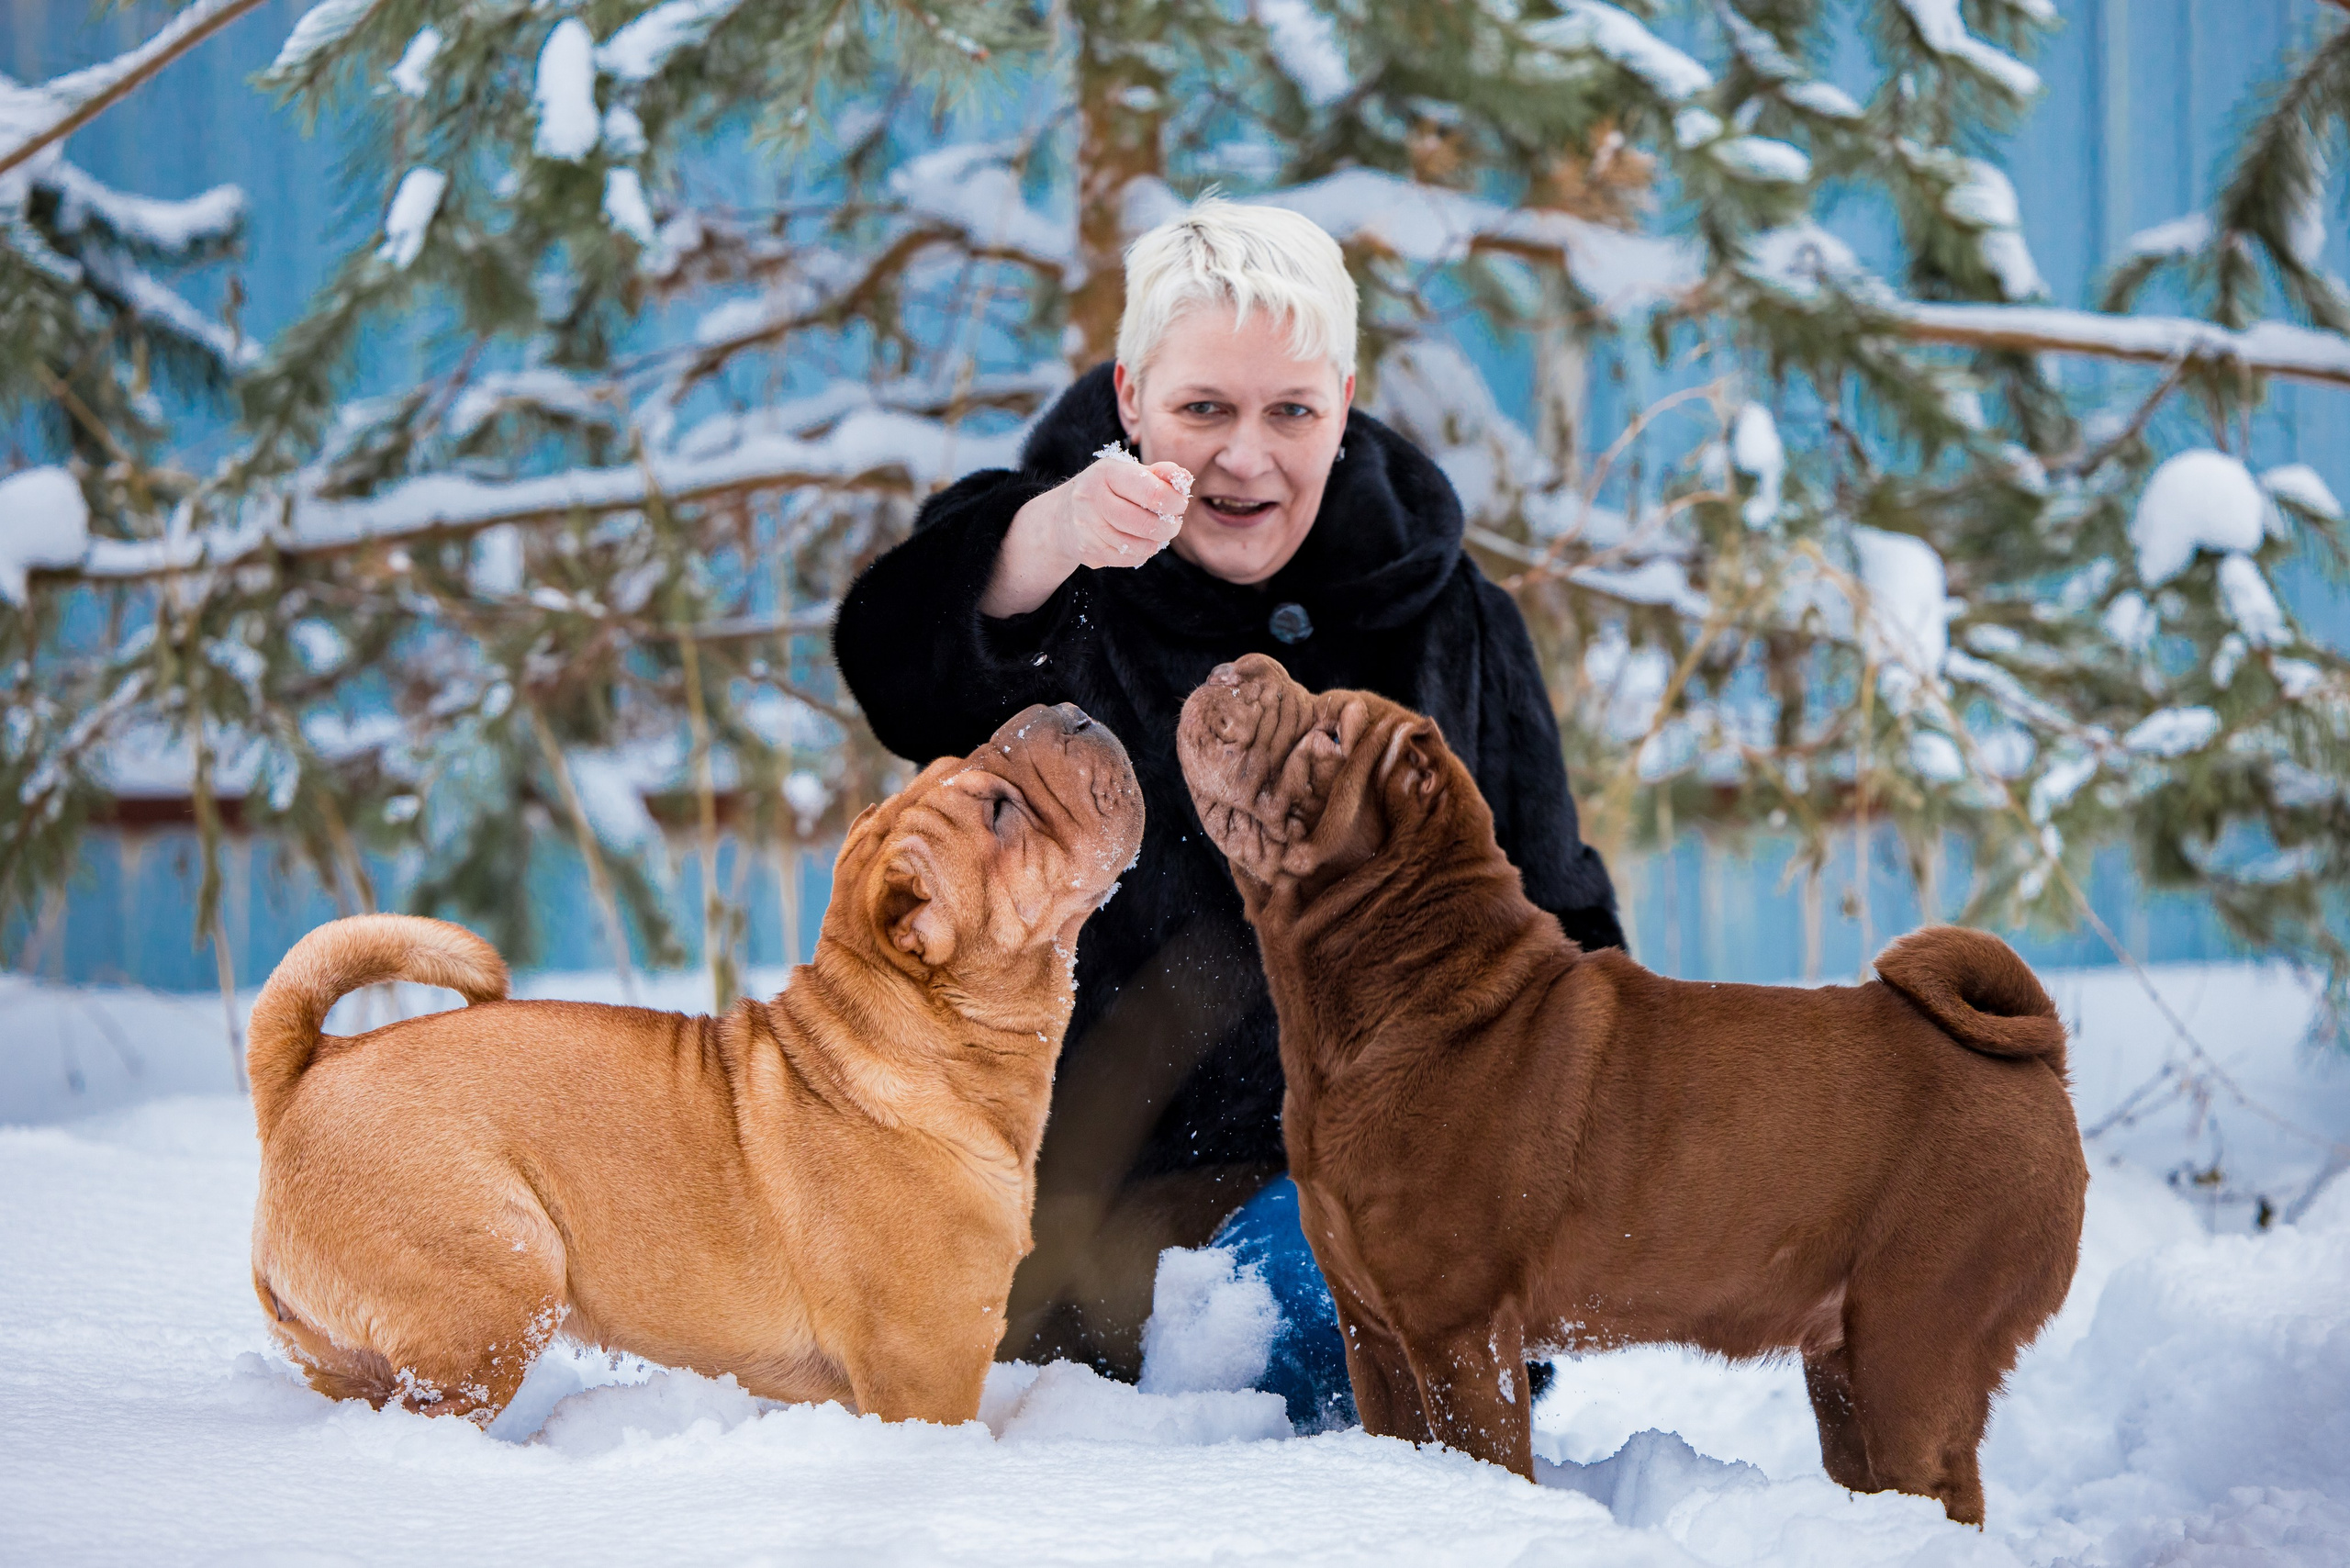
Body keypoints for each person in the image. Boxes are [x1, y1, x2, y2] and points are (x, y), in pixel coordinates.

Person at [834, 198, 1622, 1426]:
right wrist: (1051, 534)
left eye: (1290, 412)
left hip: (1398, 1194)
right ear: (1132, 395)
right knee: (1324, 1323)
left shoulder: (1452, 618)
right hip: (1101, 1215)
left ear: (1344, 404)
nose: (1245, 458)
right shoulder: (1061, 583)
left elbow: (1561, 918)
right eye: (1204, 410)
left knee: (1384, 1285)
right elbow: (900, 665)